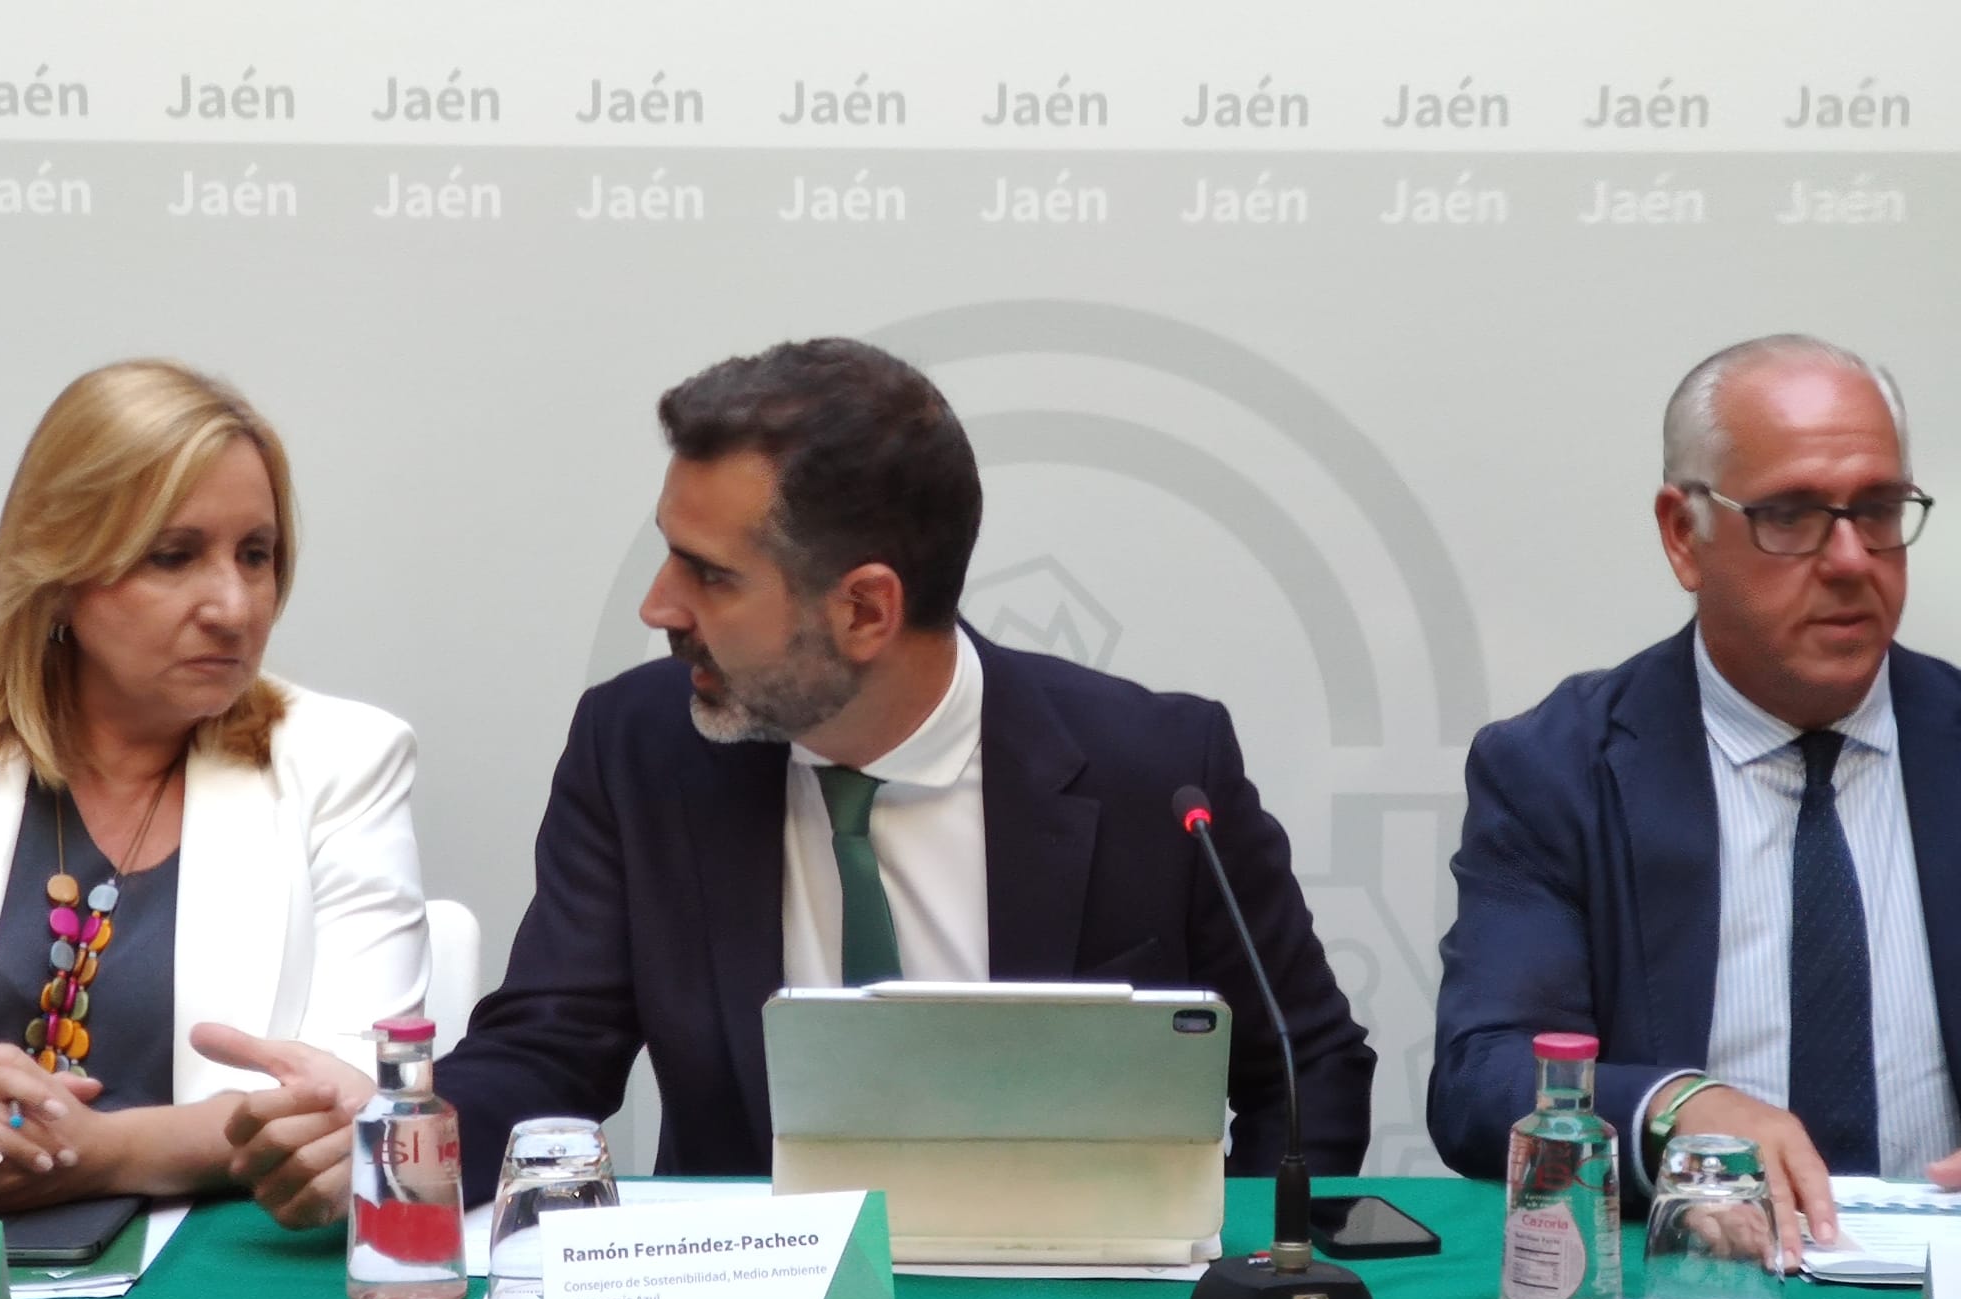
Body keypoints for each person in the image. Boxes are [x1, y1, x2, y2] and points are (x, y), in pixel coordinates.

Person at [201, 337, 1374, 1226]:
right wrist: (408, 1125)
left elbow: (1302, 1064)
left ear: (864, 607)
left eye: (708, 576)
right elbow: (553, 1047)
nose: (660, 607)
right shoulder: (638, 748)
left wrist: (1239, 1262)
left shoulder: (1151, 771)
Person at [1429, 333, 1961, 1254]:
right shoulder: (1558, 768)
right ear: (1685, 534)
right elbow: (1482, 1079)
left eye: (1877, 510)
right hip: (1693, 1290)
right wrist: (1677, 1105)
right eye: (1791, 515)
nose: (1849, 559)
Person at [0, 359, 429, 1212]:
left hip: (211, 1267)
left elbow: (348, 1101)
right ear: (62, 571)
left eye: (256, 556)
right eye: (173, 556)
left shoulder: (344, 758)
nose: (233, 606)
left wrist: (99, 1152)